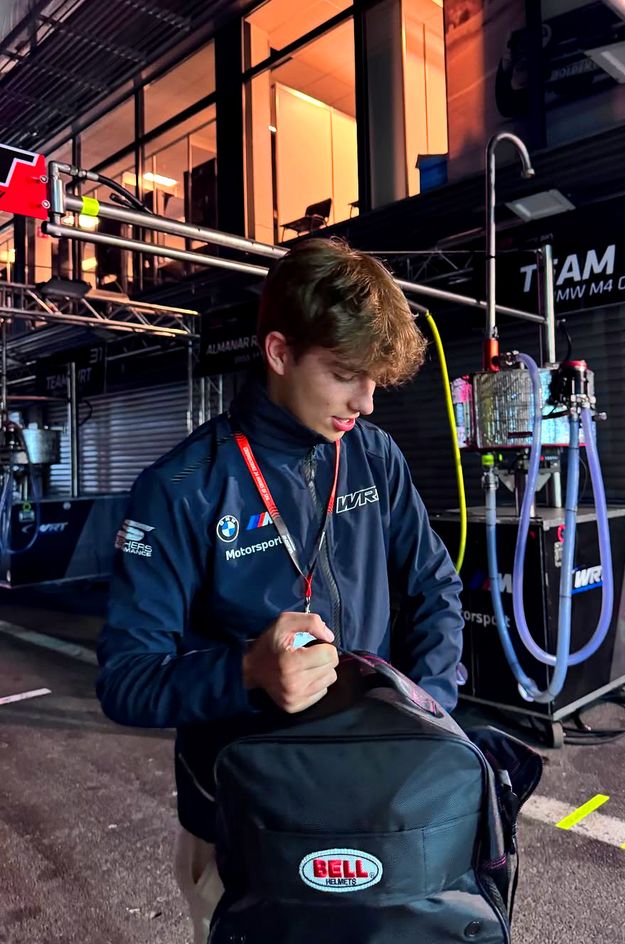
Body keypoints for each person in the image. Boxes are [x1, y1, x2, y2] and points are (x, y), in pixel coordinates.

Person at [96, 237, 464, 943]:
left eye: (373, 380)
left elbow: (435, 588)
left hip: (379, 800)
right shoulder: (180, 489)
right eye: (345, 375)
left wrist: (429, 716)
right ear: (278, 352)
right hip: (246, 824)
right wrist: (245, 672)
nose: (365, 403)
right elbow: (126, 680)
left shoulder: (373, 457)